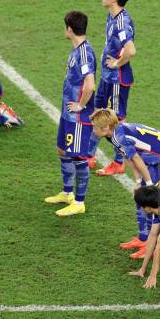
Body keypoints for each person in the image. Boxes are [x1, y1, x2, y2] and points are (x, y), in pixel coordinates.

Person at [89, 108, 160, 259]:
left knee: (155, 202)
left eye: (95, 127)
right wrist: (139, 181)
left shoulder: (118, 137)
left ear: (106, 127)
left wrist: (148, 184)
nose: (93, 130)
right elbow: (129, 158)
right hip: (155, 159)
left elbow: (138, 160)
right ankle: (144, 239)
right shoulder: (113, 133)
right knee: (141, 198)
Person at [44, 11, 96, 216]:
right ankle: (67, 192)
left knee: (78, 157)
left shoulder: (84, 53)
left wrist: (81, 106)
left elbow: (90, 85)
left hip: (78, 117)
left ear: (70, 29)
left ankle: (79, 202)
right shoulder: (77, 50)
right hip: (68, 114)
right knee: (63, 150)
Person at [86, 0, 137, 176]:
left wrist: (116, 63)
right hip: (107, 78)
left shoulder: (122, 22)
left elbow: (131, 50)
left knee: (115, 121)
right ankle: (89, 155)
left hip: (118, 79)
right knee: (97, 112)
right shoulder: (112, 16)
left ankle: (118, 162)